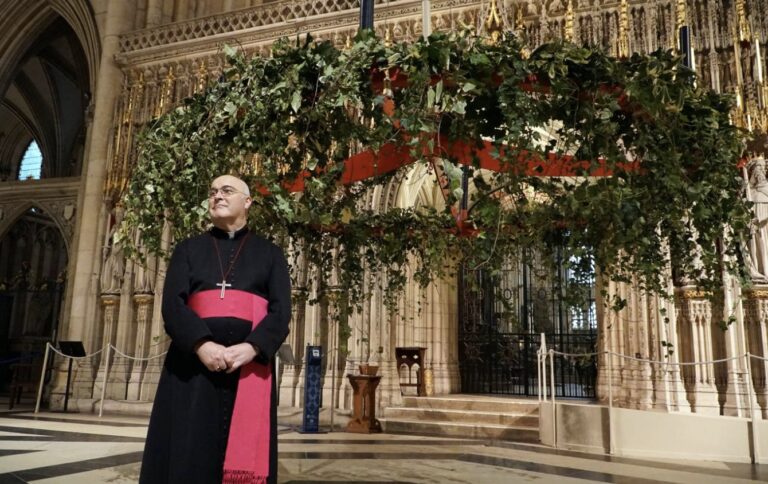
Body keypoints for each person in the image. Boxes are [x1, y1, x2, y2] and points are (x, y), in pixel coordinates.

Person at [140, 174, 291, 484]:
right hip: (191, 367)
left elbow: (280, 312)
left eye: (227, 190)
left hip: (249, 367)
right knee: (187, 451)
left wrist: (253, 347)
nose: (217, 196)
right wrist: (201, 345)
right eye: (212, 192)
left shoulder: (270, 254)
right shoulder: (188, 249)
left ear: (247, 202)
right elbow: (173, 305)